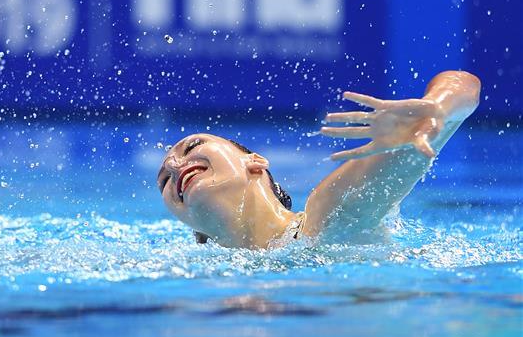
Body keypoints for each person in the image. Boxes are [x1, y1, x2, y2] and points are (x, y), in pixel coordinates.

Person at [157, 70, 481, 249]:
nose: (173, 166)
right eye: (163, 182)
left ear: (254, 161)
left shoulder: (322, 220)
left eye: (192, 146)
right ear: (188, 225)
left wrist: (438, 107)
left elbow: (465, 84)